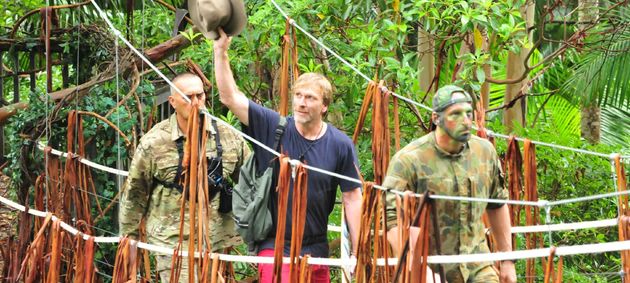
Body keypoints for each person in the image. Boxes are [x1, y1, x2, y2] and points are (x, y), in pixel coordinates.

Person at [213, 29, 362, 283]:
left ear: (324, 106)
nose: (302, 102)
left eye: (311, 98)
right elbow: (230, 98)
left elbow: (352, 197)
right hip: (275, 244)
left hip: (316, 248)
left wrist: (357, 252)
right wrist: (220, 51)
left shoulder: (340, 144)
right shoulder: (273, 127)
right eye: (298, 96)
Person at [119, 73, 251, 282]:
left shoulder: (227, 136)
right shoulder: (154, 142)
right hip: (172, 243)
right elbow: (135, 194)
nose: (196, 102)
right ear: (172, 101)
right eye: (188, 97)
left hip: (216, 241)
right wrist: (129, 245)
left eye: (200, 96)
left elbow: (251, 182)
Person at [383, 85, 517, 283]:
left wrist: (507, 260)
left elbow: (497, 203)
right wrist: (417, 267)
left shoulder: (484, 152)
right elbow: (391, 218)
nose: (466, 121)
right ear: (436, 118)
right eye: (456, 114)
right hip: (430, 265)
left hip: (477, 264)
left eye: (469, 114)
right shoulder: (409, 160)